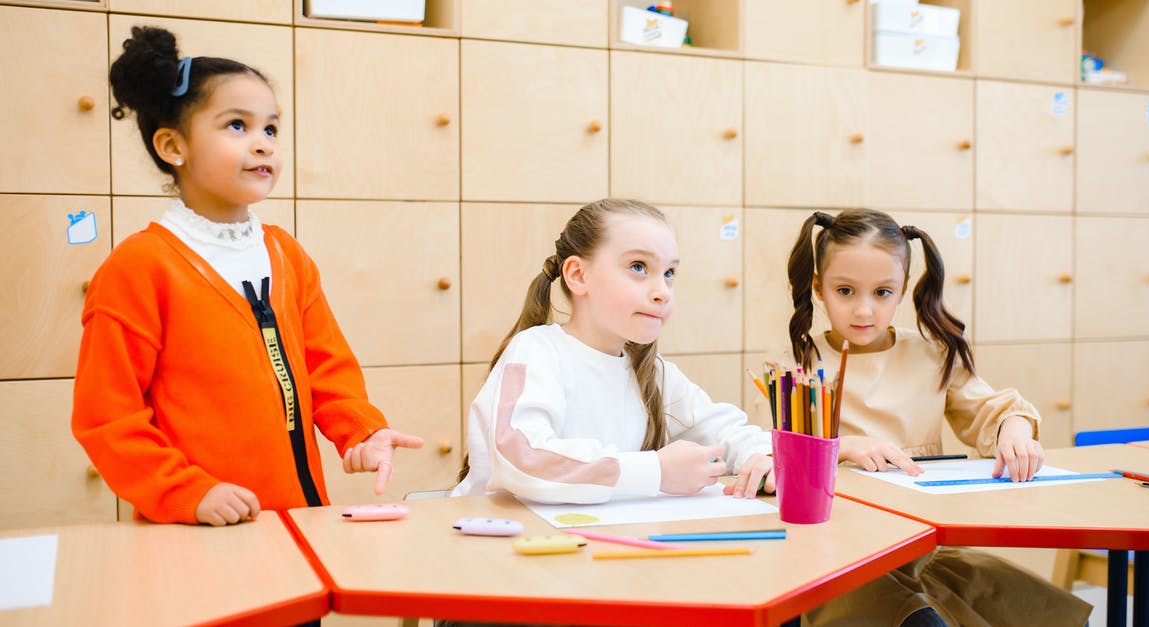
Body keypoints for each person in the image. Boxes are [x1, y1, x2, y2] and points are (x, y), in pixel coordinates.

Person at [72, 26, 422, 527]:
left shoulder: (285, 253)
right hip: (199, 530)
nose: (262, 145)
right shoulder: (139, 267)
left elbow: (327, 367)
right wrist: (188, 492)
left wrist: (361, 431)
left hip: (300, 521)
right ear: (173, 145)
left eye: (271, 129)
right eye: (237, 125)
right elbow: (106, 418)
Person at [786, 209, 1091, 627]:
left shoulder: (932, 355)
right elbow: (774, 462)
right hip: (840, 561)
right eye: (845, 291)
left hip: (923, 555)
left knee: (1043, 614)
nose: (863, 311)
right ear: (819, 288)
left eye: (882, 293)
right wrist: (844, 448)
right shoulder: (797, 366)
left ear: (903, 289)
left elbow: (994, 410)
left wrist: (1014, 432)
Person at [452, 198, 774, 504]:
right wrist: (655, 471)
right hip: (502, 545)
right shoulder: (535, 351)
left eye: (669, 273)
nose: (662, 291)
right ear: (578, 275)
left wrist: (762, 456)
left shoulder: (651, 370)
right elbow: (523, 459)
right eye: (638, 267)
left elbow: (724, 429)